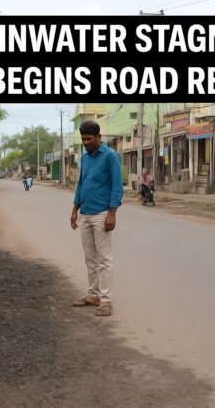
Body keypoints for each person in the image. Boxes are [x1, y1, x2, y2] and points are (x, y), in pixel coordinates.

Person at [70, 121, 123, 317]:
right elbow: (81, 184)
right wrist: (75, 209)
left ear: (99, 138)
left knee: (104, 260)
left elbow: (117, 186)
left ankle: (106, 300)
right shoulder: (84, 158)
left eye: (89, 139)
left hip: (102, 214)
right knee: (90, 258)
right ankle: (93, 295)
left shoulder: (110, 156)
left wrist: (112, 213)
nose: (85, 142)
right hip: (85, 213)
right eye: (83, 139)